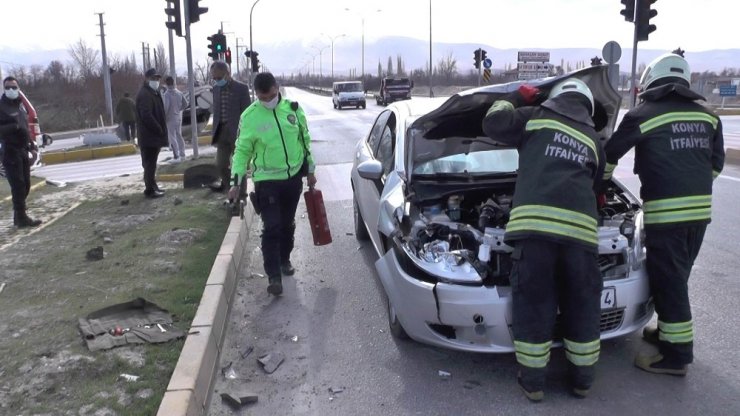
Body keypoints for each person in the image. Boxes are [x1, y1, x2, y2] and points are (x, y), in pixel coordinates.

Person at [482, 79, 605, 401]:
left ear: (554, 99)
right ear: (587, 107)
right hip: (581, 234)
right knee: (582, 304)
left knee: (535, 302)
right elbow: (597, 182)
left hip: (535, 230)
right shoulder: (593, 137)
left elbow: (493, 123)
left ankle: (534, 383)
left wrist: (514, 97)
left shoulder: (534, 116)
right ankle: (583, 381)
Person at [603, 52, 724, 376]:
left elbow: (609, 158)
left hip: (665, 215)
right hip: (699, 214)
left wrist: (597, 190)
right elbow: (716, 165)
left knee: (669, 280)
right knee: (676, 276)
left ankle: (676, 357)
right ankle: (668, 330)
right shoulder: (709, 117)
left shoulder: (642, 114)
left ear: (650, 81)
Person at [229, 72, 317, 296]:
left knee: (287, 224)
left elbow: (304, 140)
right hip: (267, 181)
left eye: (271, 95)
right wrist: (236, 181)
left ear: (277, 88)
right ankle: (273, 276)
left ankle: (285, 259)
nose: (268, 101)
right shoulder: (250, 117)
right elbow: (241, 152)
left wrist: (311, 170)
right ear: (256, 95)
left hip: (293, 178)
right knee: (272, 227)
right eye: (263, 98)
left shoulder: (293, 110)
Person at [0, 76, 41, 227]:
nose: (11, 90)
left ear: (18, 88)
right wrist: (12, 127)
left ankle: (19, 216)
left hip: (23, 149)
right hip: (10, 151)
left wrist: (31, 144)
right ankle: (21, 217)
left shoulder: (20, 106)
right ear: (4, 89)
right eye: (8, 87)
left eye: (14, 87)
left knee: (26, 185)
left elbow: (24, 127)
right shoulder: (2, 107)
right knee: (18, 185)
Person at [210, 60, 251, 192]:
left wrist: (246, 133)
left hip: (238, 133)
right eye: (214, 78)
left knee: (239, 165)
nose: (216, 80)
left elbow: (247, 113)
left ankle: (242, 194)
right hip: (221, 132)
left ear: (228, 74)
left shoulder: (241, 89)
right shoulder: (215, 89)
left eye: (219, 77)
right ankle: (230, 190)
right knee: (221, 165)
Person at [135, 68, 168, 198]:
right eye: (153, 79)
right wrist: (158, 128)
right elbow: (146, 115)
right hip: (149, 136)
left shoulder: (153, 92)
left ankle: (153, 186)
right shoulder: (145, 94)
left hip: (153, 136)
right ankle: (149, 190)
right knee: (149, 164)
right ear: (147, 79)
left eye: (157, 79)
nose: (156, 81)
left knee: (151, 164)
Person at [163, 76, 188, 163]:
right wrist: (179, 109)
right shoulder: (179, 93)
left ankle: (176, 156)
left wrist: (164, 117)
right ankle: (182, 154)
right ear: (174, 83)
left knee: (172, 137)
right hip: (178, 117)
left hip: (170, 118)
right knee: (179, 136)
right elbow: (186, 104)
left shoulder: (167, 94)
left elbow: (166, 107)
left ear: (166, 84)